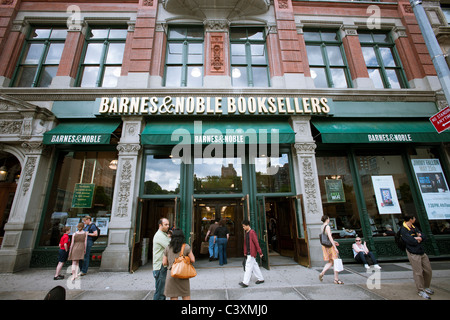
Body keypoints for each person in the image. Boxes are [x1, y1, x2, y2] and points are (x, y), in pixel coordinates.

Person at [400, 214, 433, 299]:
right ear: (411, 219)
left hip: (421, 251)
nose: (415, 219)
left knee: (428, 270)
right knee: (418, 272)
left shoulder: (414, 227)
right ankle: (421, 290)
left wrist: (418, 238)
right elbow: (410, 241)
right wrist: (417, 238)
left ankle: (426, 287)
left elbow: (424, 236)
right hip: (412, 252)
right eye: (414, 218)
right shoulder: (403, 229)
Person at [163, 228, 195, 300]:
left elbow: (164, 262)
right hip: (183, 274)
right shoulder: (186, 247)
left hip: (171, 274)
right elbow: (193, 260)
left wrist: (171, 262)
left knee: (173, 296)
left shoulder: (168, 248)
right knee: (185, 294)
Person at [318, 215, 343, 284]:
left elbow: (326, 238)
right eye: (328, 218)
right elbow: (330, 237)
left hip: (325, 246)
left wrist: (334, 242)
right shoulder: (327, 227)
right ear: (327, 219)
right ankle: (336, 279)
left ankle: (322, 273)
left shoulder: (322, 226)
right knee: (335, 261)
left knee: (330, 261)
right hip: (330, 246)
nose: (329, 220)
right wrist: (334, 246)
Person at [239, 220, 264, 288]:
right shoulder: (247, 233)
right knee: (255, 266)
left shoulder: (252, 232)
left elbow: (256, 243)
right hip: (249, 252)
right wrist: (245, 252)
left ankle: (245, 282)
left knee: (248, 267)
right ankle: (261, 278)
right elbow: (246, 244)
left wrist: (260, 252)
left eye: (244, 226)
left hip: (251, 253)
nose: (243, 227)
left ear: (247, 225)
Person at [152, 218, 171, 300]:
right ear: (160, 225)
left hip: (162, 266)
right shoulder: (160, 235)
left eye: (168, 224)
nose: (168, 226)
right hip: (160, 267)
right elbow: (170, 247)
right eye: (166, 224)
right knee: (160, 292)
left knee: (162, 291)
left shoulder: (163, 234)